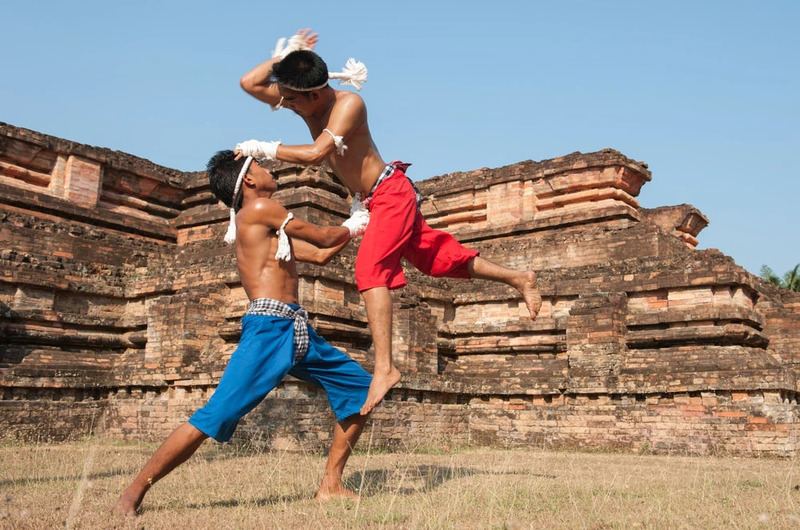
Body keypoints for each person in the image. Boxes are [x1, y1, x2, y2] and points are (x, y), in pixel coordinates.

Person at [236, 29, 542, 416]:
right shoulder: (305, 101)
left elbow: (316, 153)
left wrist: (263, 147)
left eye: (293, 100)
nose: (288, 106)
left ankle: (385, 367)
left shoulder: (349, 104)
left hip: (390, 192)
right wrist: (289, 54)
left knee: (370, 269)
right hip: (372, 200)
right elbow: (250, 83)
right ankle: (518, 278)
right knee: (435, 258)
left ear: (314, 94)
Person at [111, 150, 373, 517]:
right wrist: (358, 219)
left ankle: (331, 485)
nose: (270, 169)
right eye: (262, 165)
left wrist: (357, 221)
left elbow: (320, 255)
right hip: (269, 329)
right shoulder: (260, 209)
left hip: (296, 328)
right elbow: (324, 237)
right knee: (216, 414)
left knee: (360, 389)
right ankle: (134, 491)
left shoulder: (266, 229)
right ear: (248, 179)